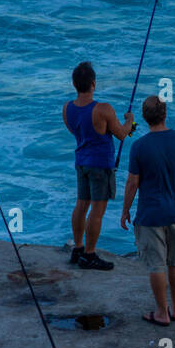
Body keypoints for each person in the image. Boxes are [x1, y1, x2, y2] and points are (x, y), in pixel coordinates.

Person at [120, 95, 175, 325]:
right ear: (165, 114)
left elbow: (132, 183)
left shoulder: (139, 146)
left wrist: (125, 210)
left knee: (156, 264)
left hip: (151, 214)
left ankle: (161, 312)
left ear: (145, 118)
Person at [63, 61, 136, 270]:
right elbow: (122, 134)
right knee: (97, 210)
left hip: (81, 162)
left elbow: (76, 132)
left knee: (81, 204)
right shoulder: (103, 109)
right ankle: (90, 254)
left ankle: (77, 248)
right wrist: (131, 121)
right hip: (100, 166)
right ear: (93, 83)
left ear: (75, 84)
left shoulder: (67, 108)